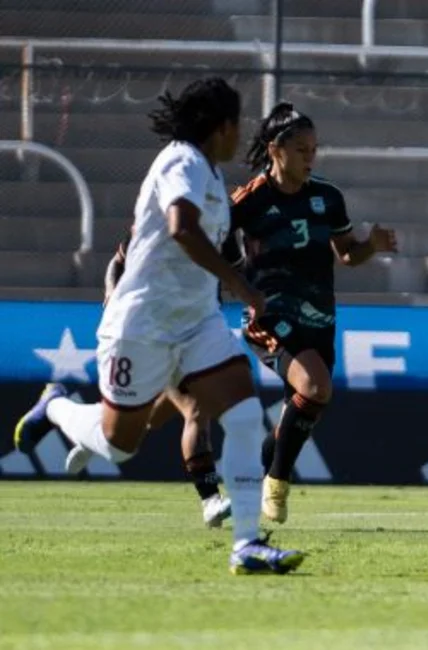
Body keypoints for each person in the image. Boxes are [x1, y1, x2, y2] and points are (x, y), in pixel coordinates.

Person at [13, 77, 303, 575]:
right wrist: (241, 285)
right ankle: (56, 405)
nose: (240, 135)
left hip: (195, 323)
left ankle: (247, 544)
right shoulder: (181, 161)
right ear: (222, 126)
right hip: (141, 324)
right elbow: (181, 229)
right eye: (237, 124)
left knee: (242, 411)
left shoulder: (211, 175)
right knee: (119, 445)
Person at [229, 102, 397, 524]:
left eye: (314, 149)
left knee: (306, 404)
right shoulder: (247, 202)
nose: (310, 157)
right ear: (275, 150)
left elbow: (346, 255)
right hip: (269, 317)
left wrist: (370, 247)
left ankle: (251, 476)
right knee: (316, 386)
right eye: (302, 149)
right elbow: (215, 251)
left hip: (319, 319)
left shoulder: (327, 197)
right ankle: (277, 487)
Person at [71, 232, 233, 528]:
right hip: (154, 334)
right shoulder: (159, 222)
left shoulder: (222, 227)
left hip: (195, 332)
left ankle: (95, 432)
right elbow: (117, 262)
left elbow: (233, 271)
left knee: (162, 416)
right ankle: (210, 499)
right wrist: (110, 294)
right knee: (195, 410)